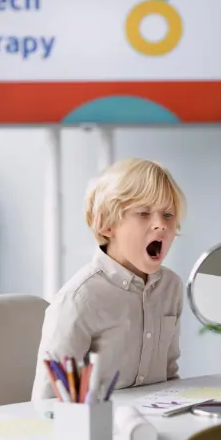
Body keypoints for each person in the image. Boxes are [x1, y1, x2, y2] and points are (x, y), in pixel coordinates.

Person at [31, 158, 186, 401]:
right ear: (106, 225)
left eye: (168, 214)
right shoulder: (79, 299)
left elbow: (169, 375)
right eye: (144, 213)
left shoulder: (172, 288)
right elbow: (48, 400)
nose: (161, 225)